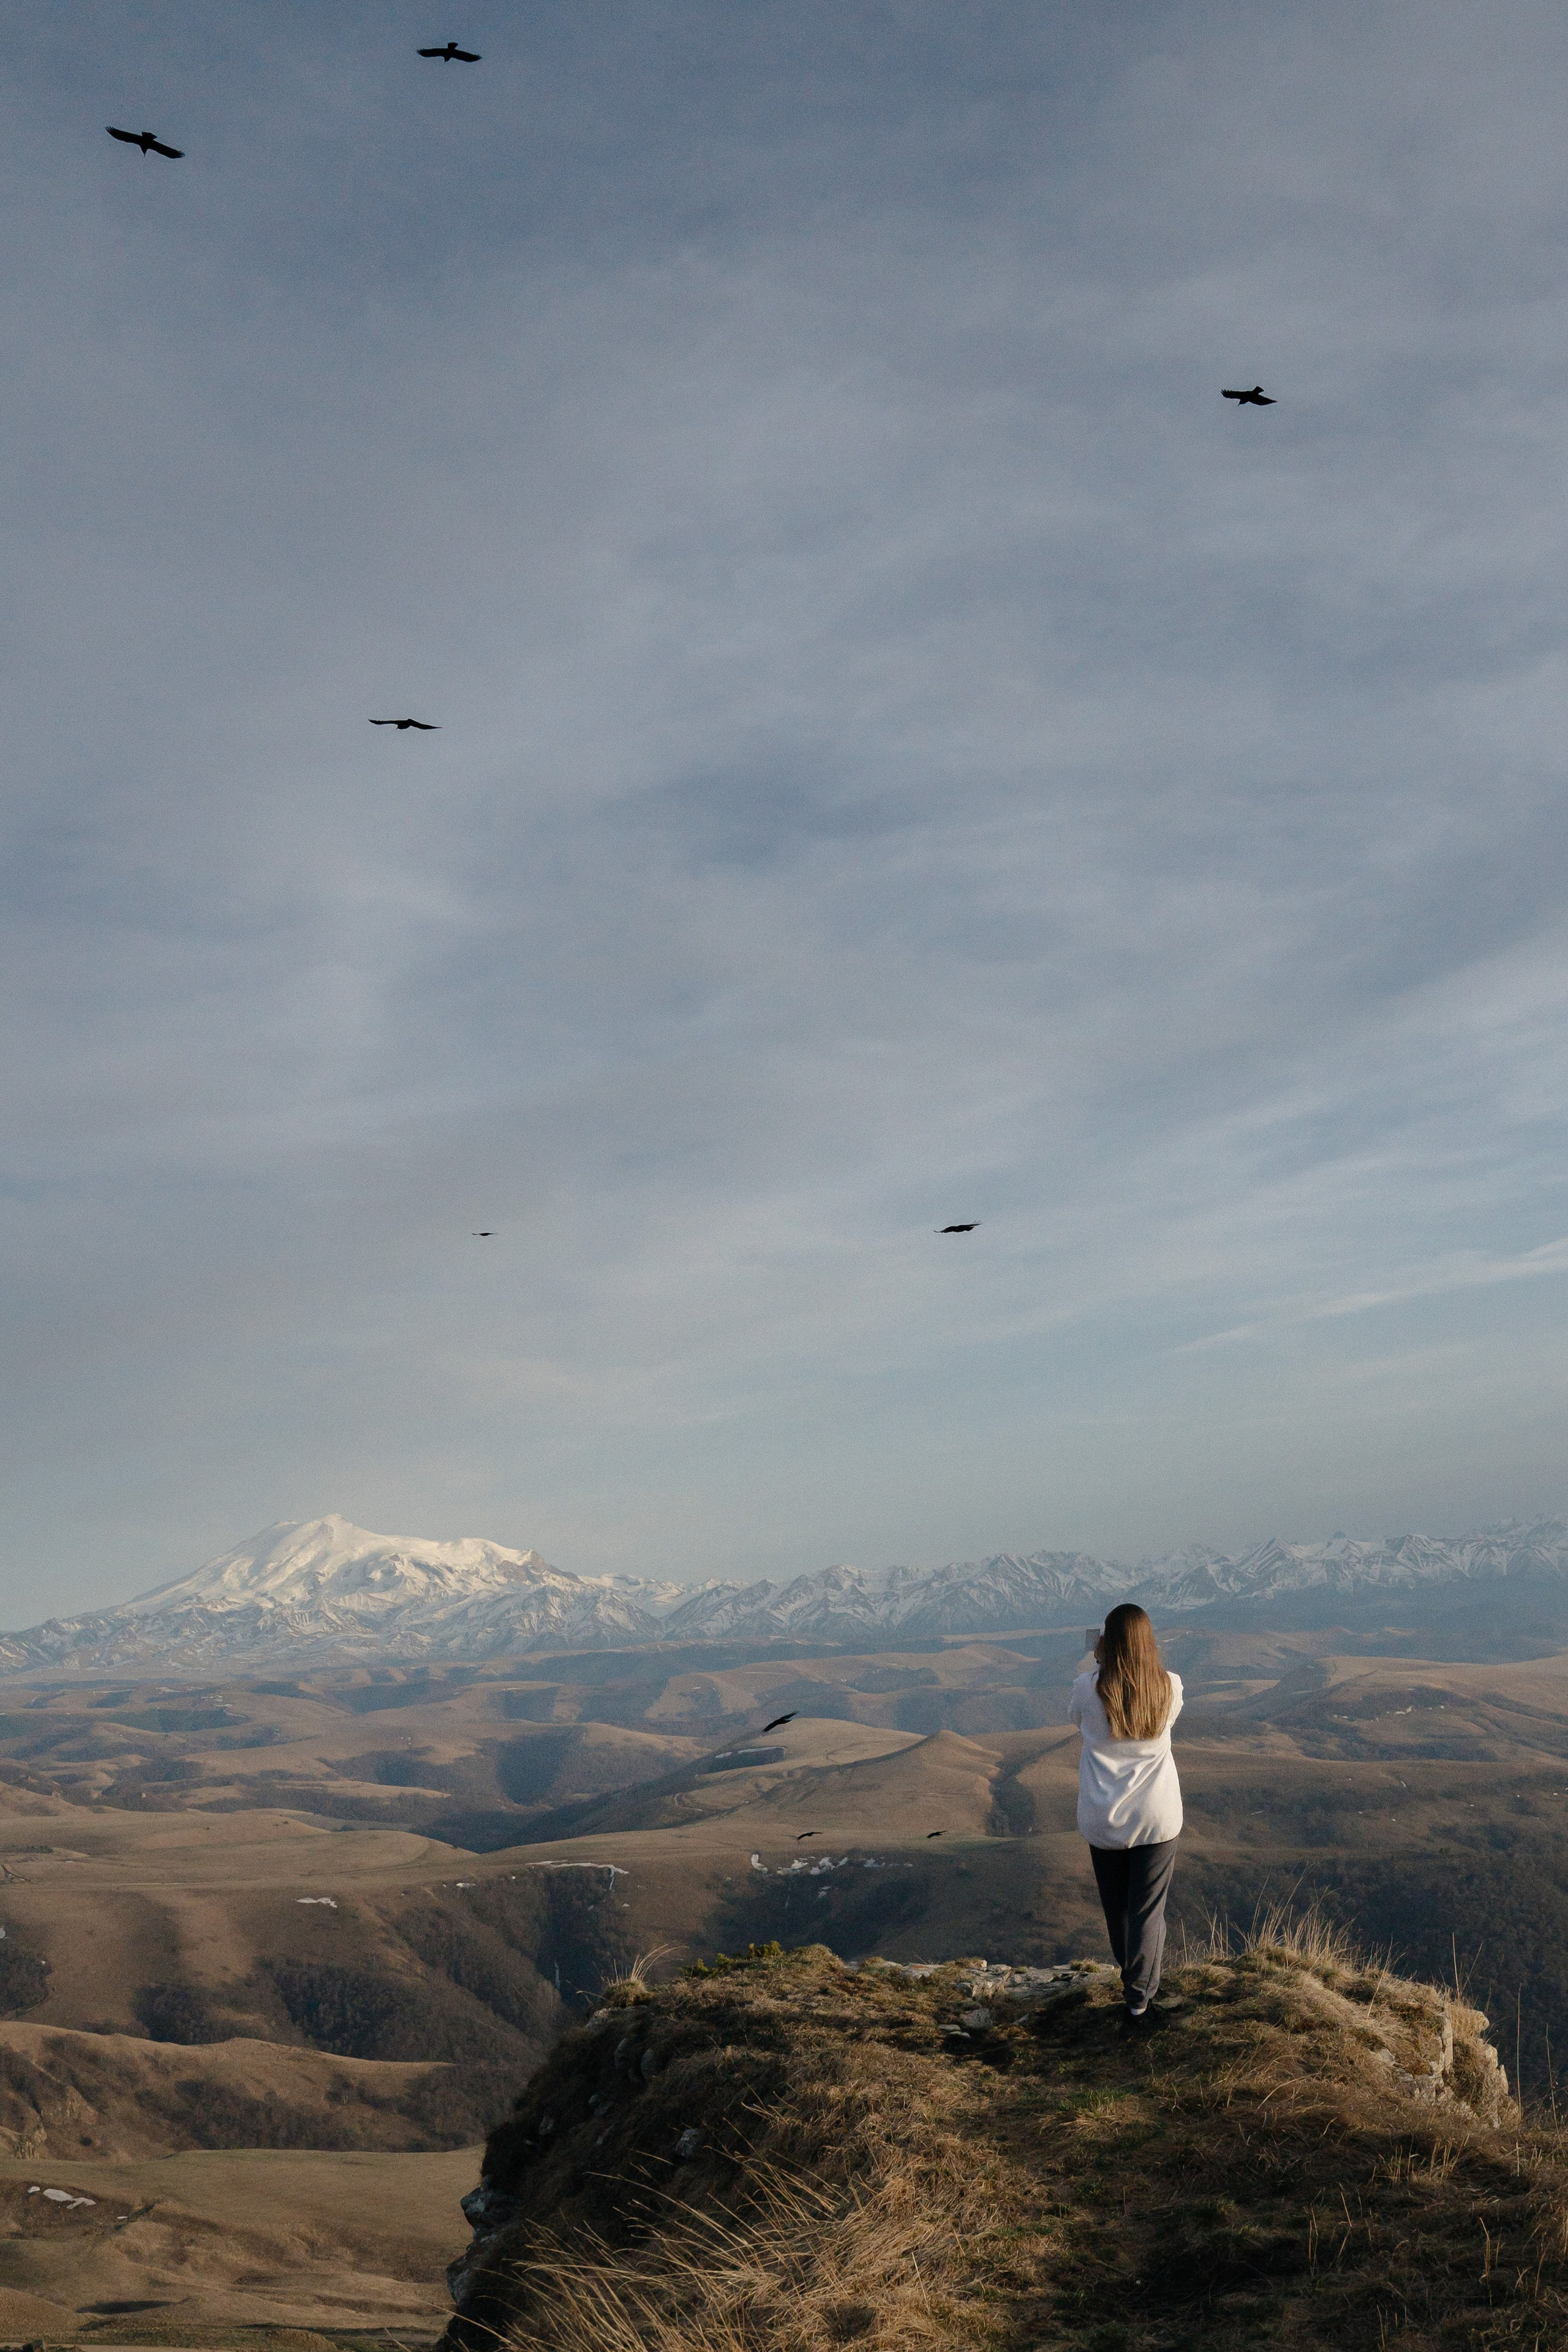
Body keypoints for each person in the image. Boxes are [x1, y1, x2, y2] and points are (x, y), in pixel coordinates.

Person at [1069, 1604, 1185, 2020]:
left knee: (1118, 1909)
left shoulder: (1088, 1686)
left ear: (1108, 1641)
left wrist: (1099, 1662)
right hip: (1157, 1814)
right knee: (1147, 1911)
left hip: (1104, 1815)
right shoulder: (1170, 1686)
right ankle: (1140, 1998)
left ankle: (1138, 1990)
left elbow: (1075, 1718)